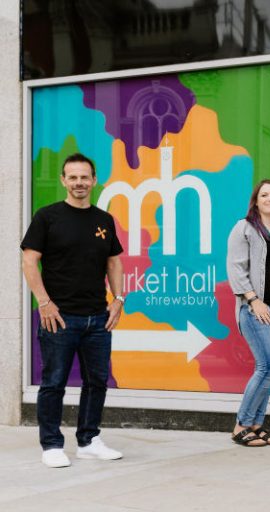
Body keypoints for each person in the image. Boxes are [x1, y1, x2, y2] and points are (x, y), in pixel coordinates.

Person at [21, 153, 125, 468]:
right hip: (59, 317)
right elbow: (29, 260)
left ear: (94, 180)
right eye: (73, 177)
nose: (79, 183)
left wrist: (118, 299)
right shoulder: (47, 217)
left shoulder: (104, 220)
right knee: (54, 381)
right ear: (64, 180)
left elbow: (114, 262)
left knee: (97, 381)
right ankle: (51, 444)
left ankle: (89, 440)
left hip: (97, 317)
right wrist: (44, 302)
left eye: (84, 177)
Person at [226, 179, 270, 447]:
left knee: (268, 369)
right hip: (258, 309)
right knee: (268, 366)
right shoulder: (244, 228)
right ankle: (240, 424)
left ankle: (256, 424)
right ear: (255, 201)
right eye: (264, 195)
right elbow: (235, 268)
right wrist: (254, 301)